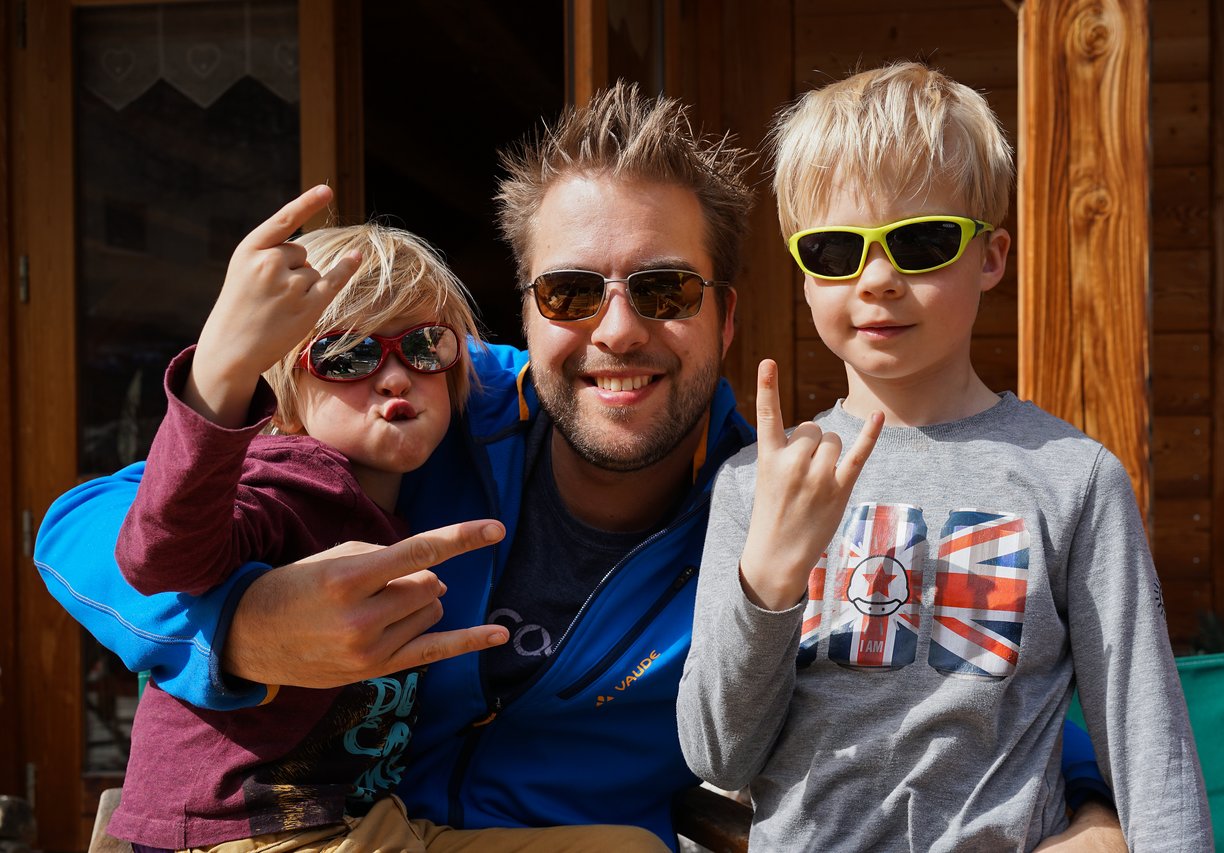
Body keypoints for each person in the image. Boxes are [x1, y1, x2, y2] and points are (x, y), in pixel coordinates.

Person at [35, 83, 1123, 851]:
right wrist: (239, 632)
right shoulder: (424, 402)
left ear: (724, 311)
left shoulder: (786, 505)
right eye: (569, 293)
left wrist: (1083, 808)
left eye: (662, 291)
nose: (615, 332)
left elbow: (965, 672)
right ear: (523, 313)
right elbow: (82, 528)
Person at [675, 62, 1211, 850]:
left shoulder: (1074, 478)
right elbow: (717, 753)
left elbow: (1148, 739)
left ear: (991, 257)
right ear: (802, 270)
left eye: (921, 243)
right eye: (834, 249)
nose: (878, 280)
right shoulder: (758, 482)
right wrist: (770, 581)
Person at [106, 206, 663, 852]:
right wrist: (222, 377)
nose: (395, 374)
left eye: (426, 346)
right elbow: (162, 557)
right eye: (347, 353)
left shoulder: (400, 500)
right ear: (284, 395)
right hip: (246, 832)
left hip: (367, 823)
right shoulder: (288, 479)